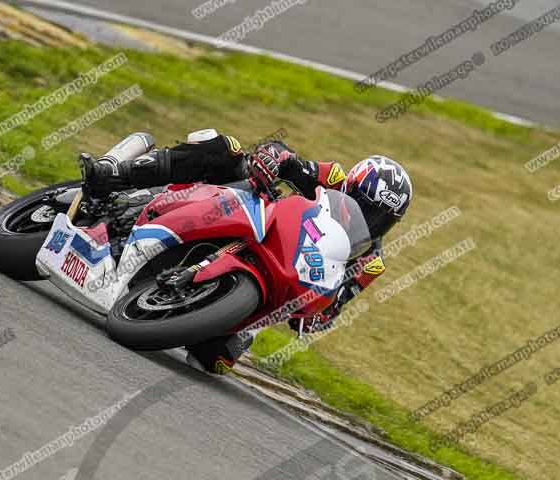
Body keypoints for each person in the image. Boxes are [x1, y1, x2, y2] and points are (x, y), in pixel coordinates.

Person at [80, 129, 413, 374]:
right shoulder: (332, 178)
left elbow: (328, 312)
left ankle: (176, 299)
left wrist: (318, 314)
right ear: (352, 186)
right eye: (365, 205)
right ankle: (115, 174)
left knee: (215, 361)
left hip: (274, 280)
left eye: (380, 216)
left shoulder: (370, 261)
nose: (368, 218)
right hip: (253, 212)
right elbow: (285, 155)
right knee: (225, 148)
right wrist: (273, 158)